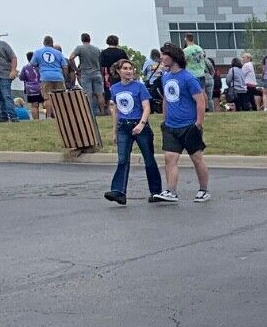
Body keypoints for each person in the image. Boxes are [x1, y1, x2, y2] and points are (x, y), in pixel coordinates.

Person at [155, 42, 209, 203]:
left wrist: (198, 123)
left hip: (189, 125)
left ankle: (203, 190)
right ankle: (171, 191)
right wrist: (164, 119)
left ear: (174, 57)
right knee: (170, 158)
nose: (162, 57)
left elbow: (200, 101)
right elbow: (166, 99)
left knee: (197, 158)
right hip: (171, 126)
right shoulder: (165, 77)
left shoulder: (188, 78)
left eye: (165, 54)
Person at [104, 58, 163, 205]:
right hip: (123, 126)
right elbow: (116, 111)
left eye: (130, 68)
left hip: (139, 124)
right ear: (118, 71)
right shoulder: (115, 88)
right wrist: (115, 131)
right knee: (122, 159)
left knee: (149, 159)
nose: (128, 71)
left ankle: (156, 191)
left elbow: (147, 108)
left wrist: (142, 124)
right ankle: (119, 191)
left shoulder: (139, 87)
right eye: (125, 68)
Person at [31, 37, 70, 118]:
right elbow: (65, 66)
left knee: (47, 98)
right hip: (58, 76)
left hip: (45, 77)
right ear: (52, 43)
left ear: (44, 43)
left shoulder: (38, 52)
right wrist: (64, 76)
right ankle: (61, 116)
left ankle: (49, 116)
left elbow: (32, 64)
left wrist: (40, 70)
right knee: (60, 98)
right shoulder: (58, 53)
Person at [72, 33, 104, 114]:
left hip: (86, 73)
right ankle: (102, 111)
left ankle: (89, 112)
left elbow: (71, 58)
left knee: (88, 94)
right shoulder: (97, 49)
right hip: (97, 73)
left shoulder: (79, 48)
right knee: (99, 94)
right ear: (89, 39)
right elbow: (101, 62)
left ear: (82, 39)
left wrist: (76, 69)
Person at [181, 33, 210, 112]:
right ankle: (206, 107)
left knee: (193, 92)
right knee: (203, 91)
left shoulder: (186, 50)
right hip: (201, 72)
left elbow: (183, 61)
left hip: (192, 74)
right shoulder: (199, 48)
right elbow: (203, 57)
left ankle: (195, 107)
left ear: (186, 39)